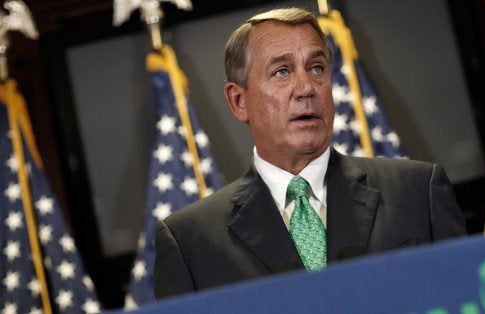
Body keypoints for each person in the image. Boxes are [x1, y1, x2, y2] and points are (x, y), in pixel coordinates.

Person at [153, 7, 466, 299]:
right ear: (239, 101)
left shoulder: (417, 192)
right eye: (281, 72)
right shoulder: (189, 242)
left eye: (317, 68)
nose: (306, 88)